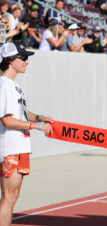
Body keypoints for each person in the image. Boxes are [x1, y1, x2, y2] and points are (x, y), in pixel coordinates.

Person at [0, 41, 53, 225]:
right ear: (10, 60)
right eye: (23, 58)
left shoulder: (13, 86)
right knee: (8, 199)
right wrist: (37, 126)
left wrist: (39, 117)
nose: (26, 62)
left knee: (12, 198)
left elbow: (21, 112)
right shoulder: (4, 85)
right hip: (11, 149)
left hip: (19, 147)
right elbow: (6, 120)